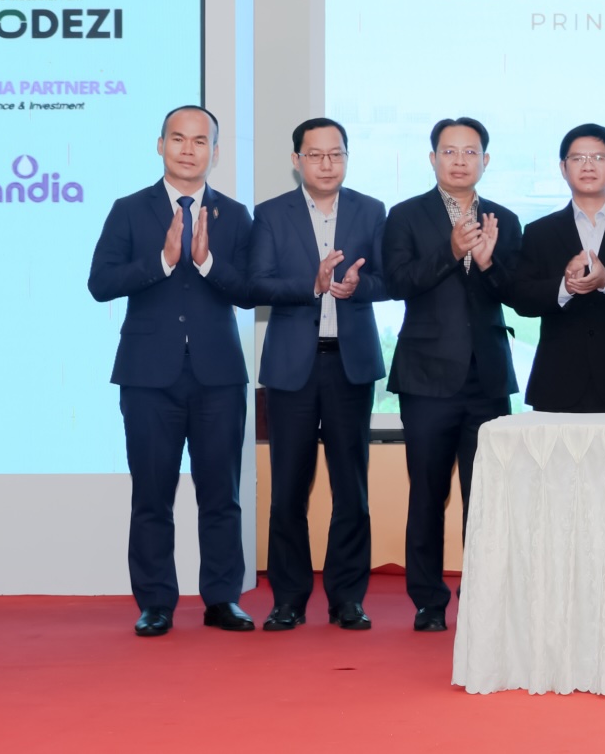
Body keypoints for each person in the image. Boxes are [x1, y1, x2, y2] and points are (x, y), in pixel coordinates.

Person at [87, 106, 256, 637]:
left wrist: (206, 263)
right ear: (160, 145)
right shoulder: (129, 209)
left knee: (222, 495)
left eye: (200, 141)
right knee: (152, 495)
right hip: (147, 377)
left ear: (215, 152)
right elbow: (100, 283)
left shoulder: (235, 215)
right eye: (178, 139)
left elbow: (250, 291)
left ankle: (222, 599)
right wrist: (161, 261)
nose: (188, 149)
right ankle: (156, 602)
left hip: (218, 376)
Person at [380, 117, 522, 632]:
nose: (460, 160)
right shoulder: (405, 215)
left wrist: (486, 262)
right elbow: (398, 282)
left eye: (470, 151)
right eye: (449, 151)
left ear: (486, 159)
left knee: (485, 496)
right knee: (428, 493)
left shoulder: (504, 219)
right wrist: (452, 251)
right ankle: (428, 601)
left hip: (486, 378)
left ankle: (482, 595)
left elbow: (515, 292)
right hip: (426, 378)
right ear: (433, 158)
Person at [248, 117, 388, 632]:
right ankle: (288, 599)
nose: (327, 164)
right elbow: (257, 284)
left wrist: (357, 286)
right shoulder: (270, 214)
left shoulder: (371, 210)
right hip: (292, 369)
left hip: (350, 365)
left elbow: (389, 279)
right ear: (297, 160)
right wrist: (313, 284)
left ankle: (347, 598)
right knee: (289, 488)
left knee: (352, 487)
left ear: (347, 157)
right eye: (316, 155)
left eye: (336, 154)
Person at [506, 124, 605, 413]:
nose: (588, 166)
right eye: (578, 158)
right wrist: (565, 287)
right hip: (557, 380)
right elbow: (522, 298)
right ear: (563, 168)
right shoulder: (540, 231)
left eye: (598, 158)